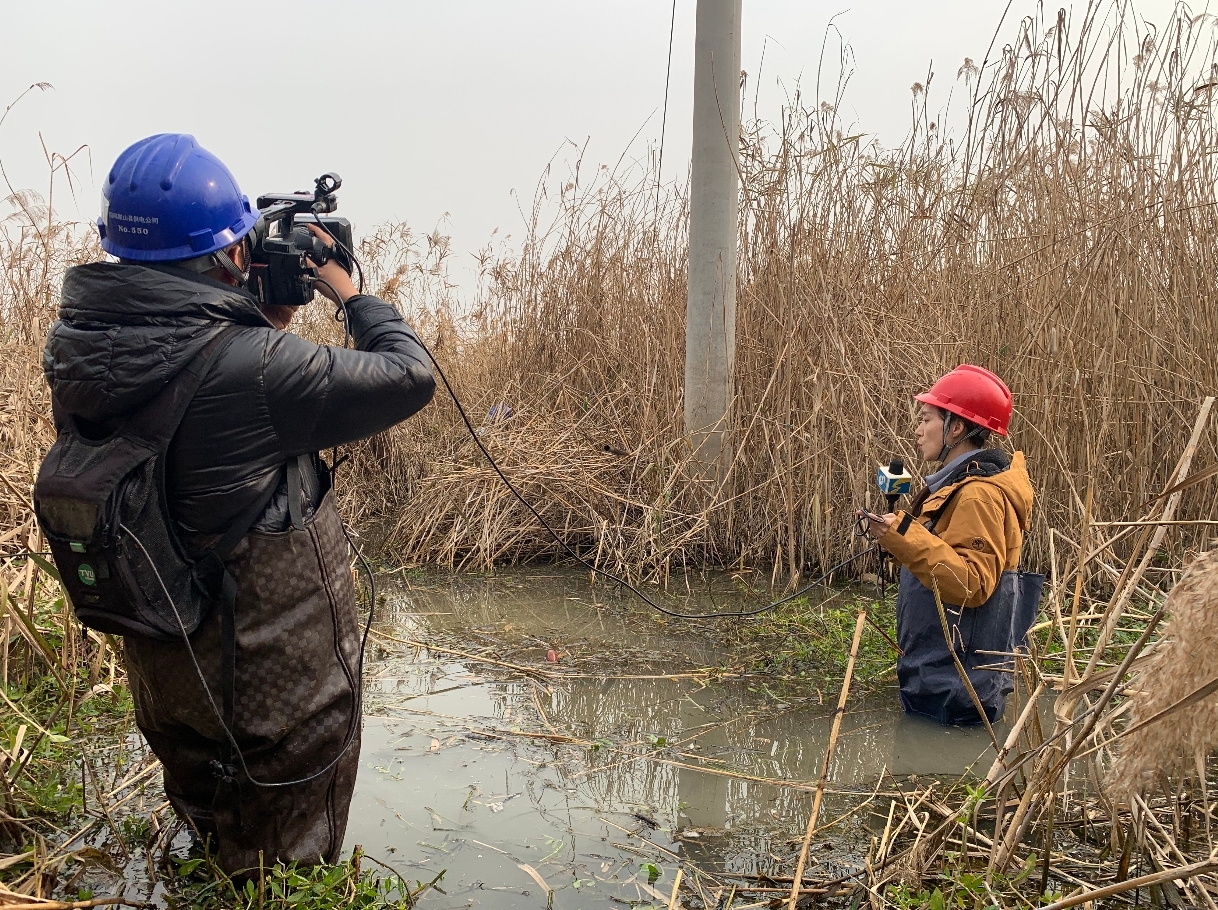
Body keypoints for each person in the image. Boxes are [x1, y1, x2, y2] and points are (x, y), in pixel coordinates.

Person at [42, 134, 435, 872]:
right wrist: (349, 293)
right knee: (283, 858)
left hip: (167, 645)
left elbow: (194, 400)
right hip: (269, 671)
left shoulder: (77, 345)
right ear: (229, 256)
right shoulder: (254, 367)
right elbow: (408, 376)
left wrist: (260, 324)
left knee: (207, 804)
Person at [861, 365, 1040, 726]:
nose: (917, 429)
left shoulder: (979, 496)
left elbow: (970, 583)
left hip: (958, 691)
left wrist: (903, 536)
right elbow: (939, 554)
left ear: (955, 428)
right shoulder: (957, 485)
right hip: (941, 679)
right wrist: (895, 536)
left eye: (926, 418)